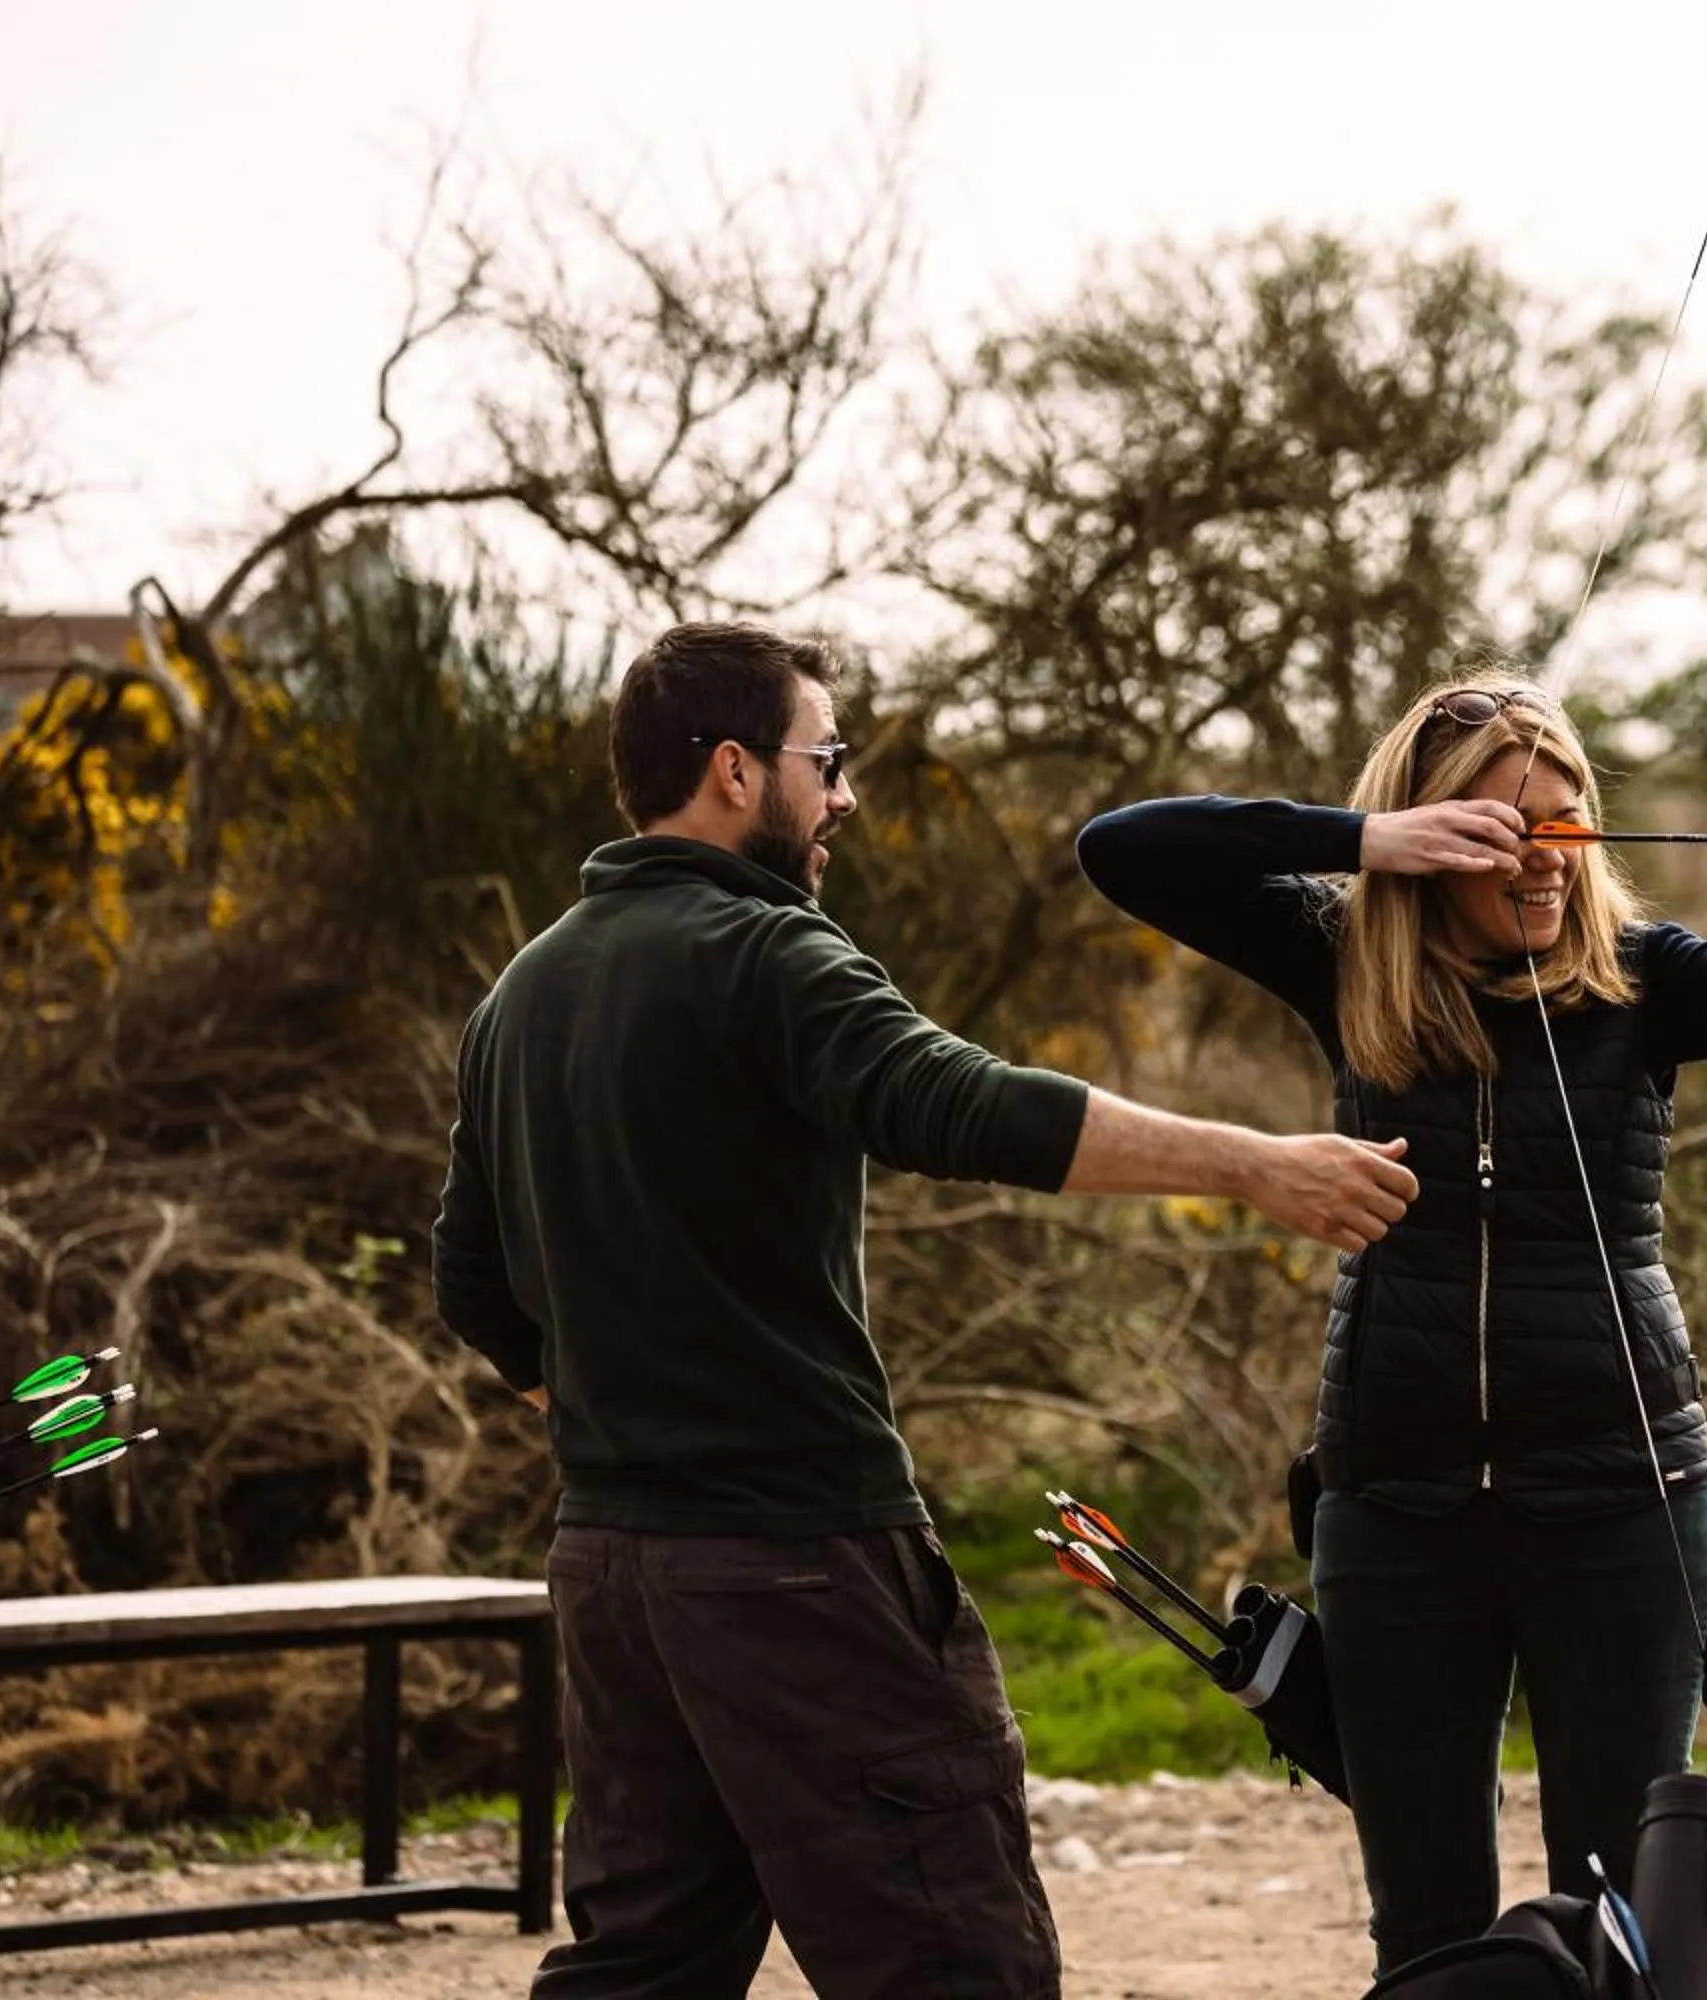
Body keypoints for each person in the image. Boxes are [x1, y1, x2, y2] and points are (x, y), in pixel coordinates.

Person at [431, 620, 1420, 2000]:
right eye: (824, 761)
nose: (844, 796)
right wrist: (1256, 1166)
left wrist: (620, 1415)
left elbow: (469, 1283)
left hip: (611, 1574)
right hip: (799, 1559)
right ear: (733, 771)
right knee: (956, 1959)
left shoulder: (521, 992)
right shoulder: (767, 953)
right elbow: (963, 1105)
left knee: (641, 1967)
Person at [1075, 675, 1707, 1972]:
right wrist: (1368, 839)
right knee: (1425, 1929)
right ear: (1434, 842)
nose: (1547, 855)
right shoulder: (1346, 959)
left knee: (1626, 1928)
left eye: (1567, 819)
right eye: (1506, 828)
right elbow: (1126, 847)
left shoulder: (1647, 980)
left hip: (1621, 1503)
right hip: (1395, 1505)